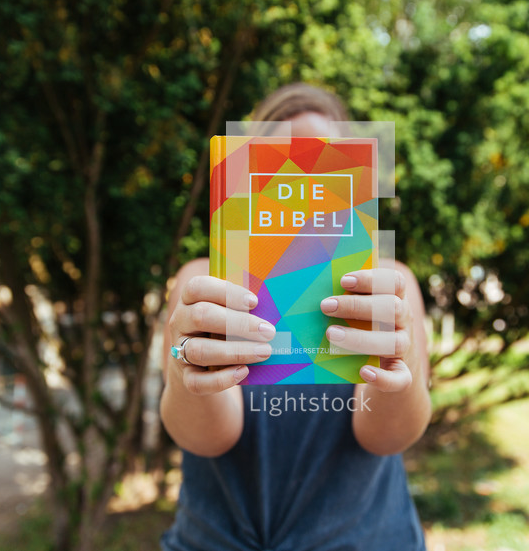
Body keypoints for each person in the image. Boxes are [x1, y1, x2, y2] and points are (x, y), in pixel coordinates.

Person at [160, 83, 431, 551]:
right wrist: (189, 370)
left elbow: (387, 437)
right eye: (284, 160)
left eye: (323, 164)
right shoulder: (202, 287)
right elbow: (208, 438)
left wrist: (392, 367)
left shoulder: (390, 288)